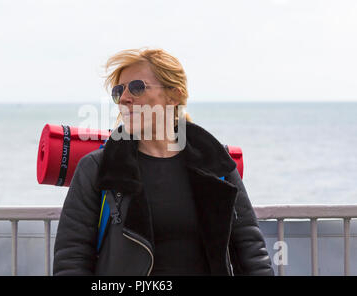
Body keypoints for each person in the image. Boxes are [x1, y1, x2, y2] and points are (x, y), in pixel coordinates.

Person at [53, 48, 274, 276]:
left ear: (174, 96)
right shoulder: (99, 168)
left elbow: (251, 251)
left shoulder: (215, 163)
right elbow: (72, 258)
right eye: (119, 91)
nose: (125, 97)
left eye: (137, 87)